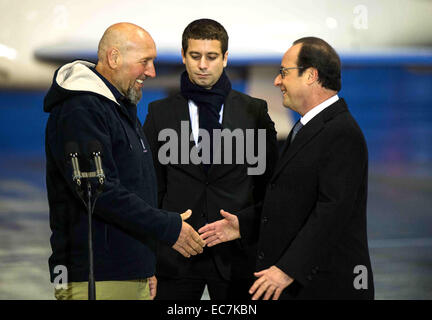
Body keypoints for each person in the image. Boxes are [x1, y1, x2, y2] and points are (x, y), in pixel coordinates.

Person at [199, 37, 374, 300]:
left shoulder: (341, 133)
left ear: (311, 75)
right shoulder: (308, 128)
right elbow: (293, 200)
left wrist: (286, 269)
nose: (277, 81)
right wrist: (243, 225)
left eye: (284, 73)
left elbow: (330, 214)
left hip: (328, 287)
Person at [44, 22, 205, 300]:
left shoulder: (117, 109)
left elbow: (133, 188)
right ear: (114, 57)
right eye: (145, 61)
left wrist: (143, 265)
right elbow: (99, 193)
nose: (152, 72)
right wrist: (168, 227)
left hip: (125, 273)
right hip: (96, 277)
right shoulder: (81, 110)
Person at [143, 18, 277, 300]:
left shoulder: (254, 112)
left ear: (225, 58)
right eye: (195, 56)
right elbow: (150, 189)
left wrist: (244, 225)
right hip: (174, 256)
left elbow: (271, 188)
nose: (203, 65)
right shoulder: (159, 113)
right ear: (183, 56)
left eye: (212, 56)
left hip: (237, 258)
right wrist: (148, 256)